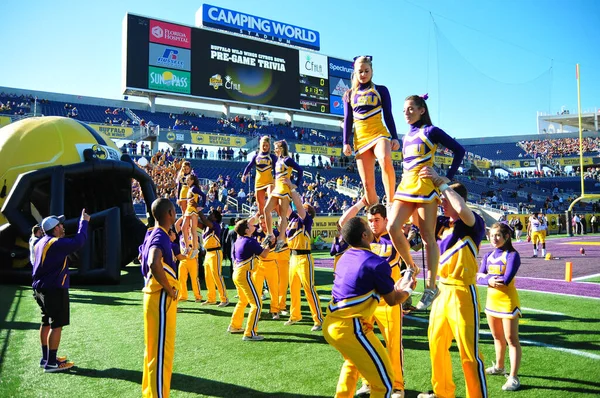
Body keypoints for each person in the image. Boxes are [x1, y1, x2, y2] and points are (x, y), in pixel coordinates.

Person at [388, 94, 465, 310]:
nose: (406, 112)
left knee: (427, 238)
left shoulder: (431, 131)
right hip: (405, 187)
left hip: (425, 188)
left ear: (422, 110)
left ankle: (431, 286)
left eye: (411, 108)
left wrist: (446, 177)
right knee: (392, 227)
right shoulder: (405, 136)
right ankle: (412, 267)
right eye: (404, 110)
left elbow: (459, 150)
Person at [323, 217, 415, 398]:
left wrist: (396, 288)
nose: (372, 227)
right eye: (368, 224)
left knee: (351, 364)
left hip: (332, 324)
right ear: (365, 235)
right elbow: (392, 299)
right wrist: (408, 290)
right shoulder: (376, 263)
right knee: (384, 384)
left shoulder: (345, 257)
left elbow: (363, 287)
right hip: (351, 328)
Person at [417, 167, 488, 398]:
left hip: (462, 292)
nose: (442, 204)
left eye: (444, 199)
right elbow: (416, 220)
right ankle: (442, 392)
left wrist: (443, 184)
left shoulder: (472, 221)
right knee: (436, 344)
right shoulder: (441, 222)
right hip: (441, 290)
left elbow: (460, 209)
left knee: (468, 352)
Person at [32, 210, 89, 372]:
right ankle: (51, 363)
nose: (63, 227)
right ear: (55, 228)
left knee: (46, 322)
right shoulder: (55, 243)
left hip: (40, 288)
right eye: (60, 225)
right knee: (56, 325)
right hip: (53, 288)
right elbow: (79, 241)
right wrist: (83, 222)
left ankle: (46, 358)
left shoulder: (41, 241)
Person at [342, 56, 399, 208]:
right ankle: (376, 212)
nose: (363, 74)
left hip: (379, 134)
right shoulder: (349, 94)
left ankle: (391, 203)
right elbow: (348, 119)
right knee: (367, 185)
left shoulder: (381, 90)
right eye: (360, 71)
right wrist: (345, 142)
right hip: (361, 139)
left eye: (366, 71)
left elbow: (388, 114)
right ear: (355, 72)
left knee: (385, 158)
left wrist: (394, 137)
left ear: (372, 71)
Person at [139, 198, 179, 397]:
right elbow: (154, 262)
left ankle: (150, 394)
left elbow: (142, 256)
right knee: (161, 354)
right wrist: (170, 289)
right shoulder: (160, 235)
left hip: (153, 298)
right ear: (170, 213)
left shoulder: (151, 233)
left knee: (154, 351)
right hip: (160, 297)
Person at [477, 222, 522, 392]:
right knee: (497, 337)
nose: (494, 239)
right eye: (491, 235)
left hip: (508, 302)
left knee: (511, 340)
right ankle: (500, 366)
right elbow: (478, 276)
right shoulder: (488, 255)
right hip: (491, 302)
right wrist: (487, 279)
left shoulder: (512, 255)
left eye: (498, 235)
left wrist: (488, 278)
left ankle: (513, 377)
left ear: (506, 237)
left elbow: (506, 279)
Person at [284, 190, 323, 331]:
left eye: (304, 207)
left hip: (304, 258)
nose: (300, 208)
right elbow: (285, 208)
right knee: (293, 288)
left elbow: (297, 206)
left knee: (309, 288)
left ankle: (318, 319)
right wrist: (277, 191)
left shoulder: (306, 220)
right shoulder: (294, 219)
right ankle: (295, 315)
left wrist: (292, 190)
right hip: (293, 257)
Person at [228, 219, 271, 340]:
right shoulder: (250, 241)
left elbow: (254, 250)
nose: (254, 226)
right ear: (247, 230)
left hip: (237, 273)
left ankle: (234, 325)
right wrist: (270, 245)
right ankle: (249, 333)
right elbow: (264, 254)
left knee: (242, 301)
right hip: (244, 274)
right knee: (256, 304)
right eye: (251, 225)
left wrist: (264, 245)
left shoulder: (239, 240)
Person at [264, 140, 303, 251]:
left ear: (281, 148)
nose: (275, 150)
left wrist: (295, 185)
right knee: (266, 210)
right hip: (277, 188)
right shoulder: (278, 160)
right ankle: (270, 234)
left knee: (282, 214)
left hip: (284, 190)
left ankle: (281, 239)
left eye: (276, 148)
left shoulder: (288, 160)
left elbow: (300, 170)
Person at [198, 209, 229, 307]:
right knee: (208, 277)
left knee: (217, 276)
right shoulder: (206, 226)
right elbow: (197, 222)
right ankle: (211, 298)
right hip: (208, 253)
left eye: (211, 213)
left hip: (215, 252)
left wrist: (198, 211)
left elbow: (203, 219)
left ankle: (224, 299)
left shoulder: (215, 225)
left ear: (215, 217)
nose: (209, 214)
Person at [241, 136, 278, 217]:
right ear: (260, 145)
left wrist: (275, 179)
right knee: (260, 206)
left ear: (269, 146)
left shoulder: (272, 157)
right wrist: (244, 175)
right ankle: (263, 225)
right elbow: (249, 166)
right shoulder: (255, 156)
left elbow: (276, 169)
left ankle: (281, 216)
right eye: (263, 145)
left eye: (267, 145)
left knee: (272, 198)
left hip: (269, 182)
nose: (265, 147)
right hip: (258, 183)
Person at [181, 174, 206, 258]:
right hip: (188, 210)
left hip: (193, 211)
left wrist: (202, 206)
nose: (187, 182)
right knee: (184, 228)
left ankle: (195, 248)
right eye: (186, 180)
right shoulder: (189, 189)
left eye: (188, 180)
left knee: (193, 229)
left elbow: (204, 195)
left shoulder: (194, 188)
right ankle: (187, 247)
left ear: (192, 181)